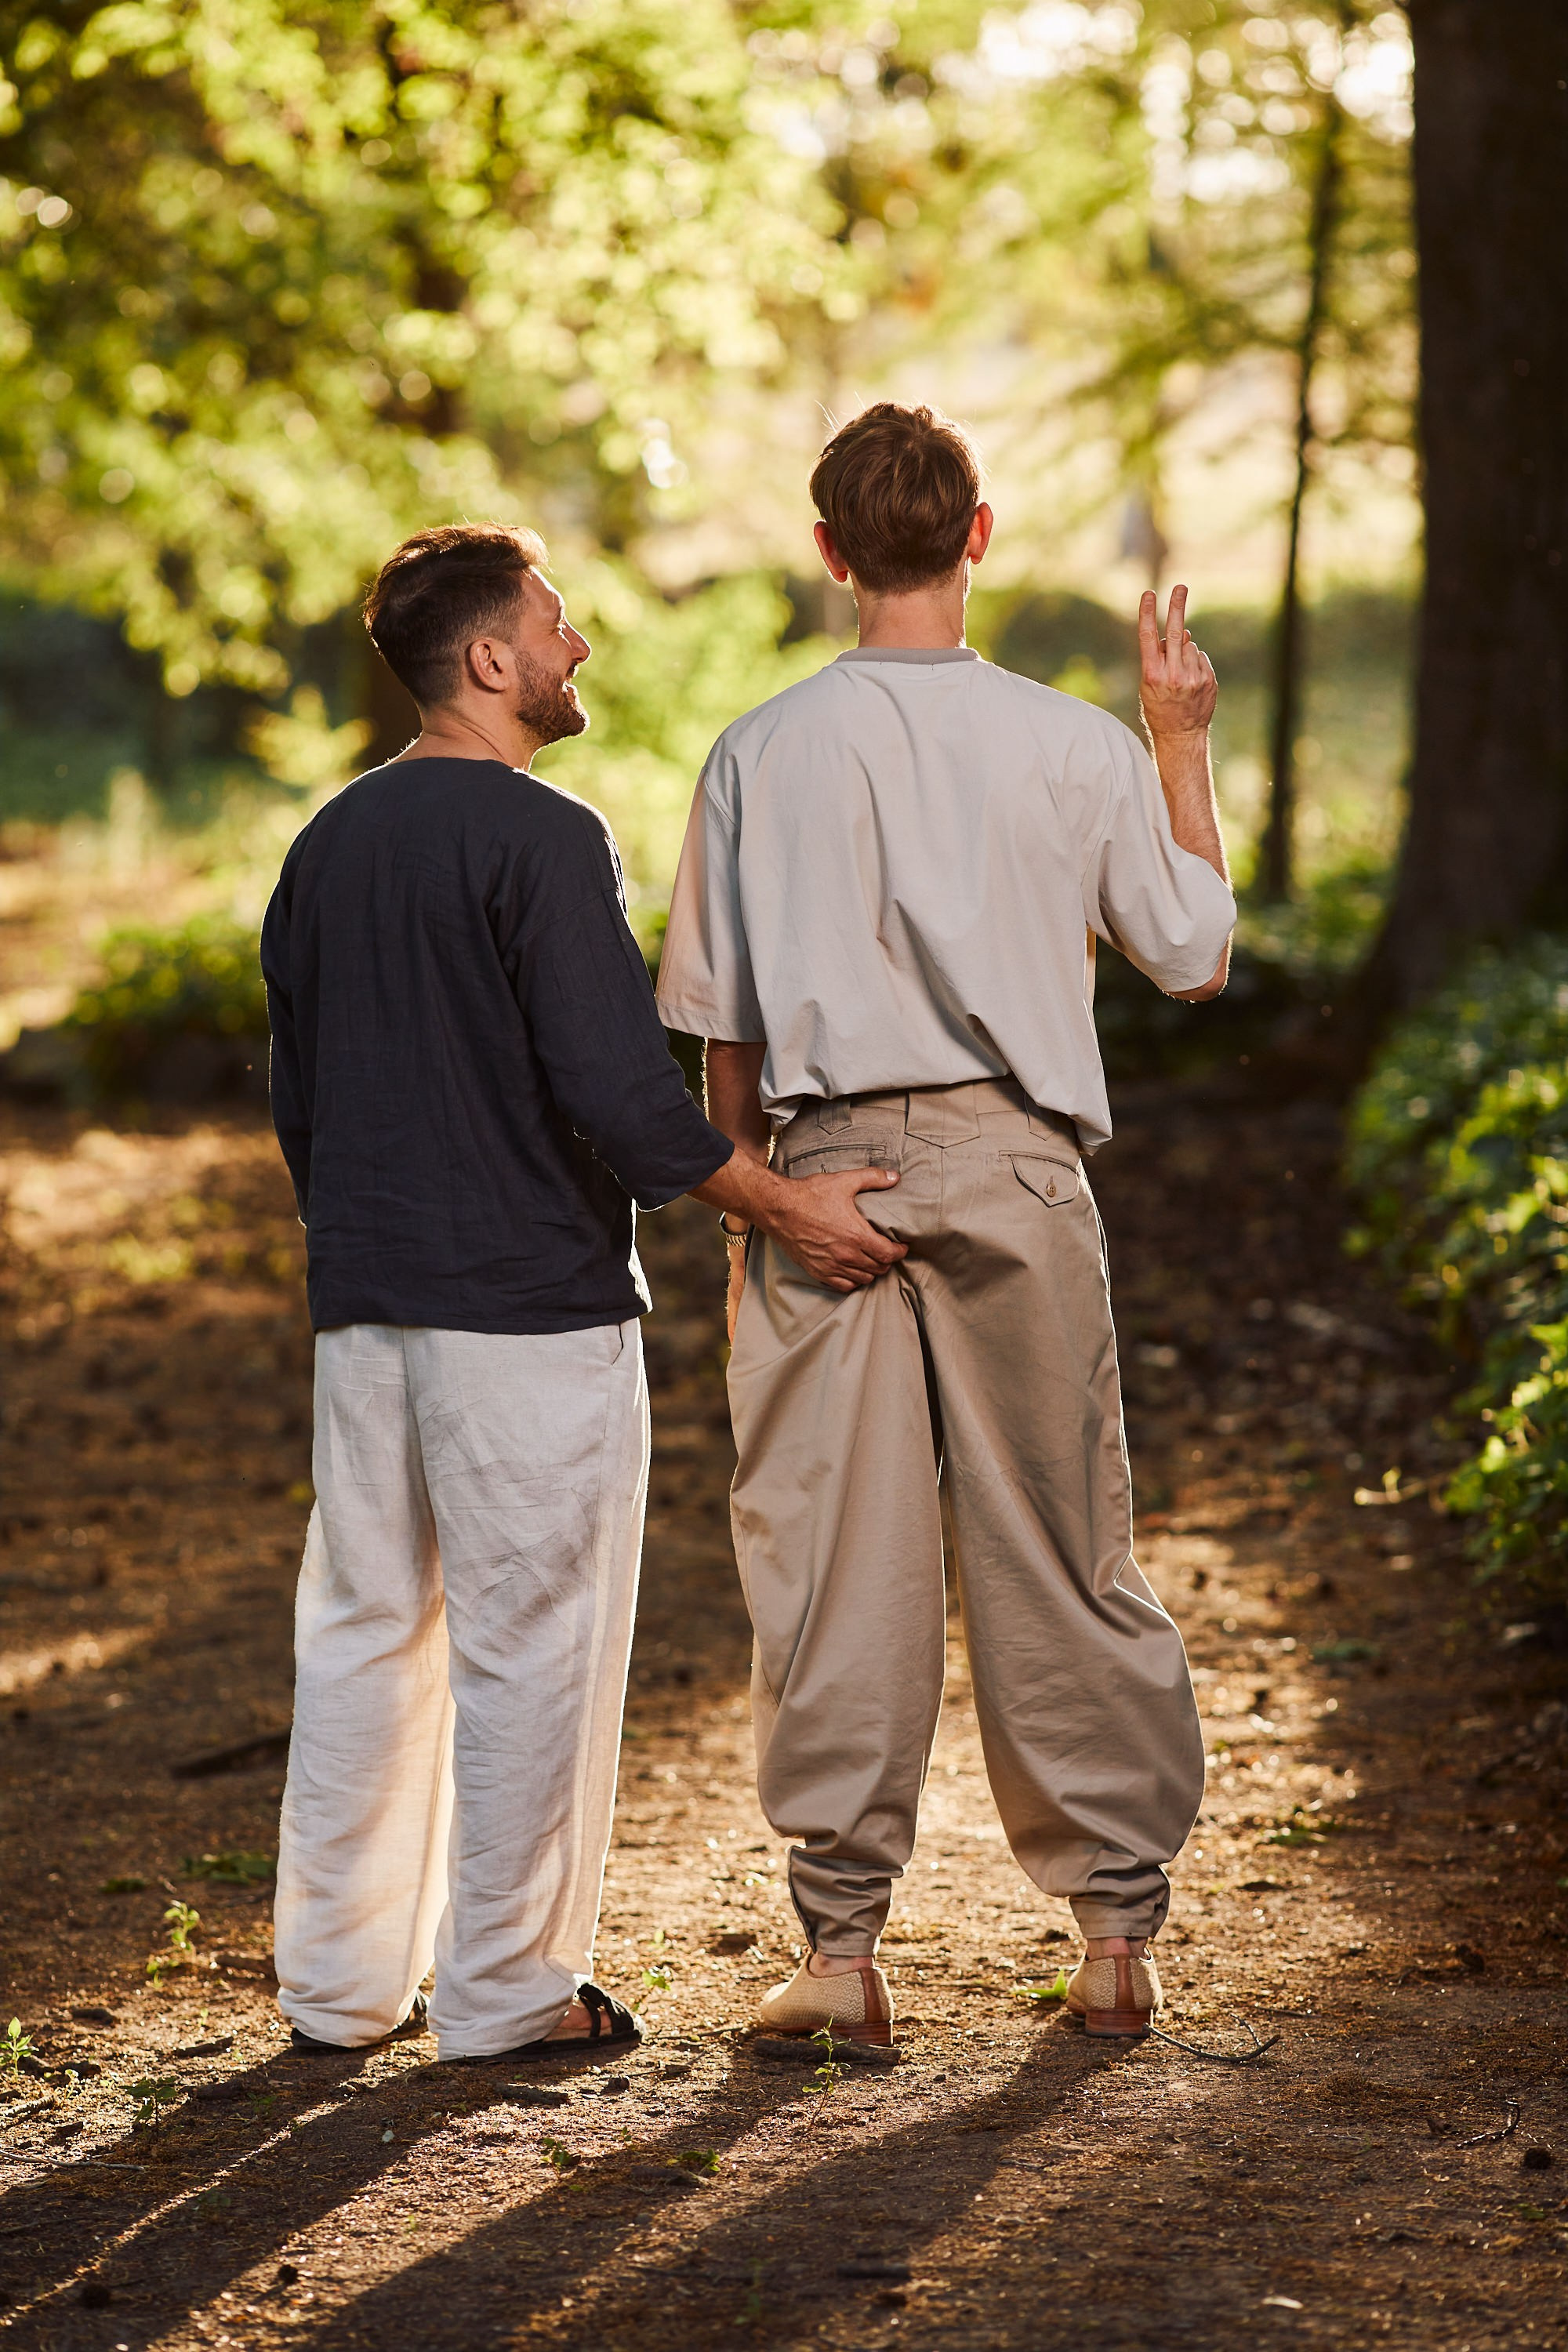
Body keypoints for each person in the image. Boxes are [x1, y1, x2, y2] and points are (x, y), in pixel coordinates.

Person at [261, 521, 902, 2063]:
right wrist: (778, 1206)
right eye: (555, 625)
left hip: (364, 1311)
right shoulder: (543, 839)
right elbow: (621, 1096)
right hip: (525, 1318)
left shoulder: (326, 843)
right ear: (489, 659)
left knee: (361, 1632)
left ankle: (339, 1989)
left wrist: (362, 1239)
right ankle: (503, 1990)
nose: (578, 649)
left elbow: (300, 1096)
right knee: (529, 1643)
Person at [656, 404, 1236, 2042]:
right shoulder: (1072, 745)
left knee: (831, 1563)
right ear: (976, 536)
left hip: (822, 1175)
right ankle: (1115, 1936)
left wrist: (755, 1218)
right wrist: (1176, 737)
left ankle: (840, 1955)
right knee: (1064, 1542)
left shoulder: (758, 752)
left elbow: (726, 1035)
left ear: (830, 553)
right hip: (1018, 1166)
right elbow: (1190, 955)